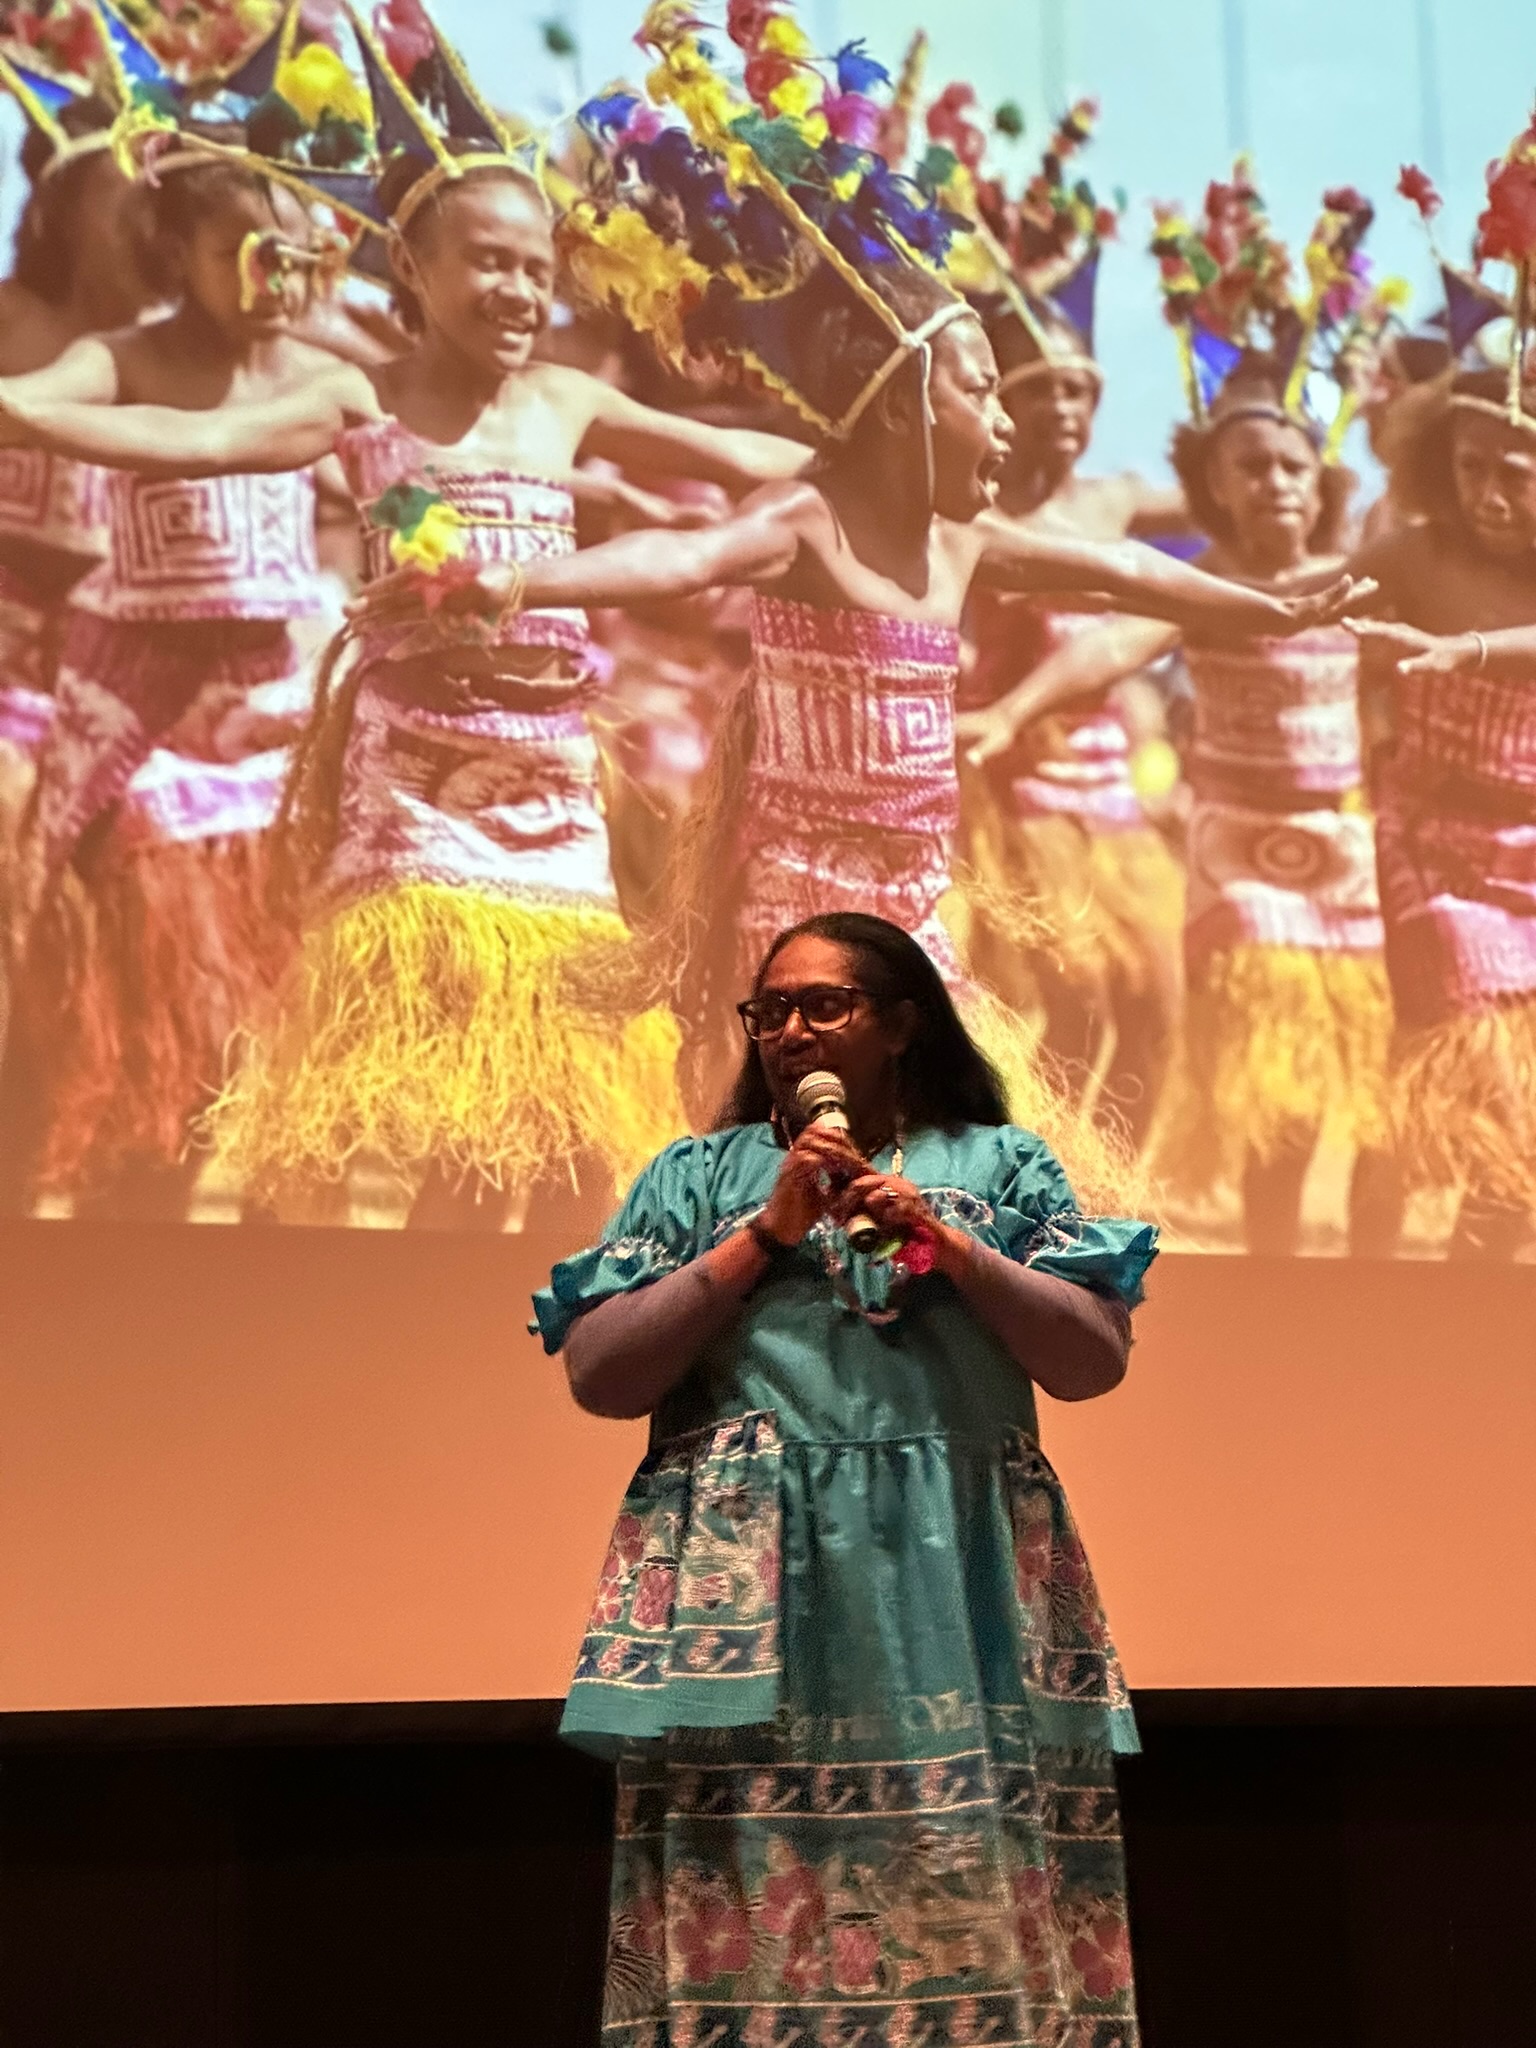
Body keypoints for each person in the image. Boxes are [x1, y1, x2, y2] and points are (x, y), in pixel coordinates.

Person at [0, 5, 815, 1230]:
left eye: (536, 267)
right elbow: (197, 437)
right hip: (397, 781)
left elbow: (732, 449)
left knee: (550, 1107)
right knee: (433, 1086)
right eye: (486, 261)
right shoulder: (355, 395)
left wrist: (855, 442)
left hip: (544, 780)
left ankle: (483, 1330)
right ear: (413, 273)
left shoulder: (558, 397)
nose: (517, 287)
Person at [533, 911, 1156, 2048]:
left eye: (825, 1003)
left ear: (903, 1021)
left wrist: (946, 1241)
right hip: (753, 1598)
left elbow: (1090, 1359)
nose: (789, 1030)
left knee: (967, 1867)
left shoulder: (999, 1166)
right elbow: (601, 1373)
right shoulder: (696, 1177)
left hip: (953, 1579)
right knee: (754, 1895)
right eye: (769, 1010)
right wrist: (761, 1235)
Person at [1156, 364, 1400, 1255]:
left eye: (1293, 466)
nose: (1275, 484)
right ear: (1214, 486)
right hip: (1238, 860)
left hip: (1344, 852)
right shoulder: (1195, 585)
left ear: (1321, 478)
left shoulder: (1358, 583)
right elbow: (1117, 636)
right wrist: (1018, 708)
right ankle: (1271, 1281)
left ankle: (1379, 1300)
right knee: (1280, 1090)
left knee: (1376, 1098)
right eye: (1251, 467)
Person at [1348, 359, 1536, 1257]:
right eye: (1470, 467)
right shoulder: (1409, 557)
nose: (1489, 494)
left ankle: (1455, 1297)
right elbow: (1302, 612)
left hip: (1528, 858)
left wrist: (1467, 649)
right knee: (1501, 1103)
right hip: (1429, 852)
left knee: (1456, 1106)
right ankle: (1365, 1286)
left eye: (1516, 472)